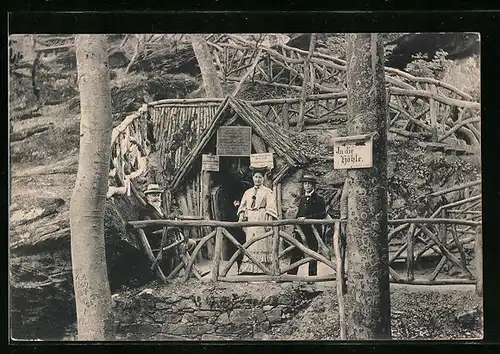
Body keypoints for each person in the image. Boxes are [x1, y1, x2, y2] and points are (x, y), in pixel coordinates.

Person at [139, 183, 195, 275]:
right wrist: (168, 225)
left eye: (158, 195)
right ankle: (184, 271)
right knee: (182, 245)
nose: (157, 198)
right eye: (154, 195)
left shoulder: (161, 209)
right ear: (148, 197)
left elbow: (166, 219)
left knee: (191, 243)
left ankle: (189, 268)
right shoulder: (145, 211)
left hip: (168, 237)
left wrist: (173, 217)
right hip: (157, 241)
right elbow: (150, 226)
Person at [237, 166, 278, 275]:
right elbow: (242, 206)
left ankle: (263, 268)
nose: (258, 179)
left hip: (261, 218)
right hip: (251, 219)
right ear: (253, 178)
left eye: (260, 177)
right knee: (251, 243)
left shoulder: (267, 192)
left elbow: (271, 207)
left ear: (263, 179)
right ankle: (249, 268)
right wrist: (242, 217)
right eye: (256, 177)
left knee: (261, 242)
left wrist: (268, 221)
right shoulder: (248, 192)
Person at [287, 174, 327, 276]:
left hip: (313, 230)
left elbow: (322, 214)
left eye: (309, 184)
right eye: (305, 184)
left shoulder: (319, 198)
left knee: (312, 253)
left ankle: (312, 277)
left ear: (313, 185)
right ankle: (291, 275)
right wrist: (296, 225)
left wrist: (307, 218)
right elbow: (299, 213)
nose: (307, 186)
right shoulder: (303, 198)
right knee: (297, 250)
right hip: (301, 230)